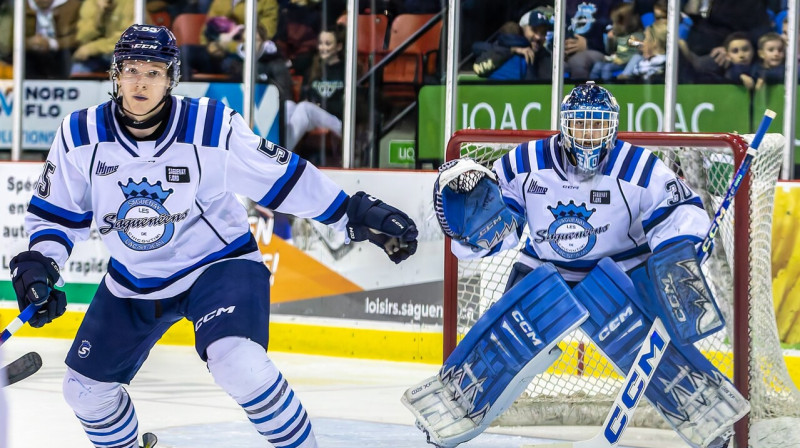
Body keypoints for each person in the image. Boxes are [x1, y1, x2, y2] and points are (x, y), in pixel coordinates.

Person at [9, 24, 418, 448]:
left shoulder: (209, 126)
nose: (141, 82)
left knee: (238, 363)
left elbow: (281, 178)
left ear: (171, 79)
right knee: (83, 392)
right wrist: (41, 265)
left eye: (154, 72)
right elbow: (57, 215)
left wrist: (351, 212)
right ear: (116, 76)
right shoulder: (80, 135)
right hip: (133, 280)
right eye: (132, 70)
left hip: (217, 265)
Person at [404, 82, 748, 448]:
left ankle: (709, 421)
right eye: (581, 123)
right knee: (501, 345)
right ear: (564, 125)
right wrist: (471, 236)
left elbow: (679, 209)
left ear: (613, 126)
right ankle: (455, 410)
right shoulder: (525, 161)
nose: (589, 134)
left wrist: (682, 245)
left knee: (658, 357)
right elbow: (502, 228)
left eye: (598, 124)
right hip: (544, 268)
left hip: (619, 271)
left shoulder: (638, 164)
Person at [286, 26, 345, 151]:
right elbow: (306, 95)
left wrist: (320, 105)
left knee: (305, 108)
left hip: (339, 121)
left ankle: (281, 152)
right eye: (321, 43)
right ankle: (275, 145)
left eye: (328, 44)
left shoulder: (346, 70)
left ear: (339, 46)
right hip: (316, 116)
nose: (323, 48)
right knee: (288, 105)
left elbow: (345, 106)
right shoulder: (315, 68)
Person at [70, 0, 134, 75]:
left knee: (119, 62)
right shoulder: (90, 3)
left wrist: (93, 48)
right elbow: (83, 37)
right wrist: (99, 13)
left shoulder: (132, 3)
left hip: (120, 52)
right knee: (79, 67)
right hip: (96, 54)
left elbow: (128, 38)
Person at [25, 0, 81, 79]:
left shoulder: (72, 6)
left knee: (67, 54)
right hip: (30, 53)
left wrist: (52, 43)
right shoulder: (20, 7)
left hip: (62, 52)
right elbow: (7, 40)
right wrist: (29, 43)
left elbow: (78, 37)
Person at [589, 2, 644, 81]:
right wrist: (610, 40)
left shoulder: (637, 36)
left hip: (626, 64)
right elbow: (609, 50)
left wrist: (622, 60)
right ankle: (592, 87)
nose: (614, 26)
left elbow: (638, 55)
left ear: (630, 21)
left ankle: (609, 89)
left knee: (607, 68)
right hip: (616, 61)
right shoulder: (618, 35)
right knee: (597, 65)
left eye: (617, 22)